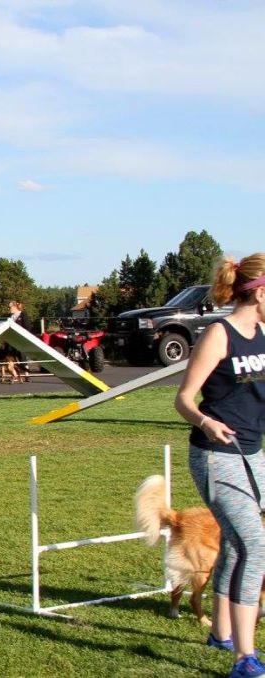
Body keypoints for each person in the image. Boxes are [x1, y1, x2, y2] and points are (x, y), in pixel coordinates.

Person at [174, 253, 265, 678]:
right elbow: (184, 399)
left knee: (234, 543)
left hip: (253, 453)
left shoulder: (263, 334)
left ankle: (221, 633)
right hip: (215, 455)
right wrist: (206, 422)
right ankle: (244, 658)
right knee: (255, 545)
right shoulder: (219, 334)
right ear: (260, 292)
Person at [8, 300, 33, 380]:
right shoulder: (9, 316)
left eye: (10, 307)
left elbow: (27, 327)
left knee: (22, 357)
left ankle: (27, 375)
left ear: (15, 307)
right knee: (11, 358)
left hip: (21, 340)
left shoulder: (23, 315)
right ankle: (15, 375)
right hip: (11, 340)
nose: (9, 309)